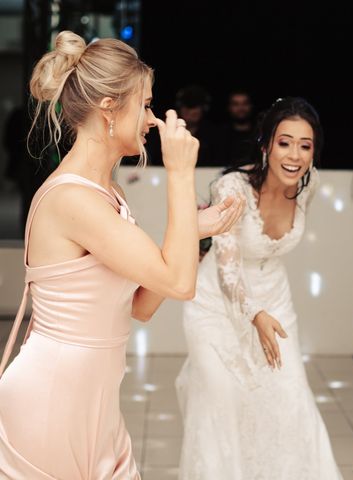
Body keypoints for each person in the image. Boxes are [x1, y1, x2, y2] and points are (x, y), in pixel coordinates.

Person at [0, 30, 243, 478]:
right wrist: (180, 173)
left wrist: (193, 231)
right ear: (109, 107)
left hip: (96, 399)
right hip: (51, 399)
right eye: (145, 104)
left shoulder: (106, 194)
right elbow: (178, 283)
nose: (151, 119)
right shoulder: (73, 199)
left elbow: (142, 305)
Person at [176, 97, 342, 479]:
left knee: (289, 401)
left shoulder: (309, 184)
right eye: (285, 143)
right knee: (222, 403)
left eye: (305, 145)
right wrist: (254, 315)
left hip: (276, 302)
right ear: (266, 145)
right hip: (215, 307)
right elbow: (228, 272)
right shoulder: (231, 188)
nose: (295, 155)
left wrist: (266, 313)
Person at [211, 88, 255, 166]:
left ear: (251, 106)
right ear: (229, 107)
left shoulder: (260, 133)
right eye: (235, 104)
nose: (241, 108)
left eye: (245, 103)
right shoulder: (219, 135)